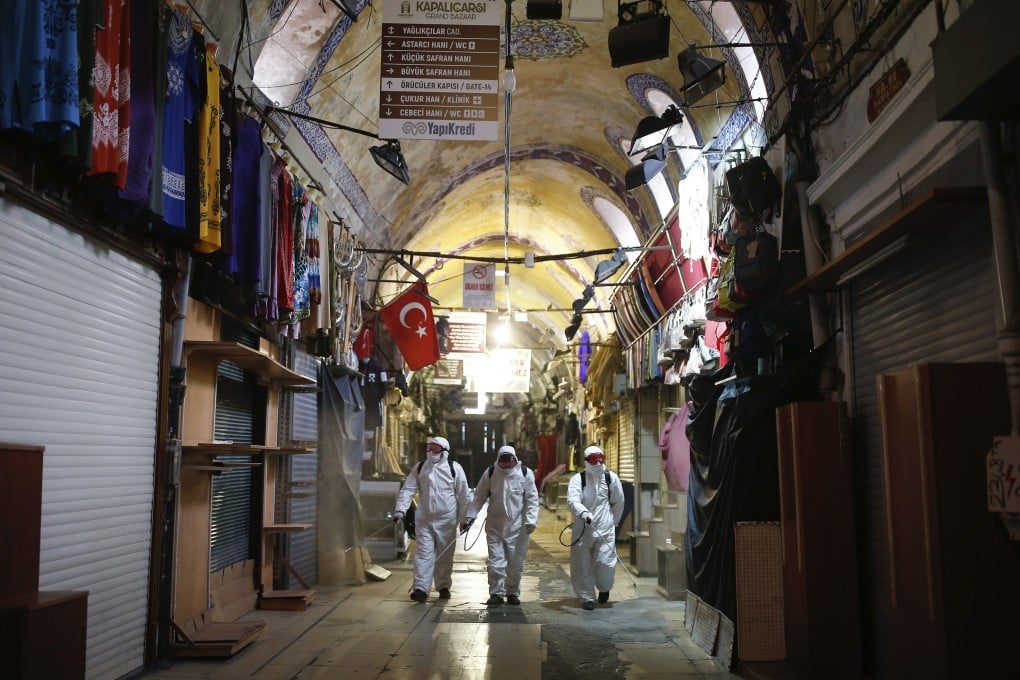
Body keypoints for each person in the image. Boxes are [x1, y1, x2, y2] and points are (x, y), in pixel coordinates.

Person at [393, 436, 472, 602]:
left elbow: (464, 495)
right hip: (424, 520)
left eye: (435, 449)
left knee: (444, 556)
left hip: (447, 521)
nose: (430, 451)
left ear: (444, 451)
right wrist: (401, 509)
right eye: (429, 448)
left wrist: (467, 517)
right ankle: (421, 589)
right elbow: (408, 489)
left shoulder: (454, 469)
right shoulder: (421, 468)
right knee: (423, 554)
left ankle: (443, 586)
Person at [462, 445, 539, 606]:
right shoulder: (491, 473)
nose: (506, 465)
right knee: (496, 561)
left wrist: (531, 520)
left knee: (515, 563)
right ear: (498, 460)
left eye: (509, 461)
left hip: (518, 529)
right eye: (503, 461)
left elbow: (532, 499)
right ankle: (496, 593)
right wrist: (469, 516)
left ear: (515, 459)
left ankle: (512, 592)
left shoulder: (525, 473)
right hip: (494, 526)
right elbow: (479, 497)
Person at [567, 444, 625, 611]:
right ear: (586, 461)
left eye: (601, 458)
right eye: (594, 459)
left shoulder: (611, 478)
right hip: (583, 530)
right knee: (582, 565)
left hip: (605, 528)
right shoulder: (578, 480)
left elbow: (618, 502)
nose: (598, 463)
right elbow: (573, 500)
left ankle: (604, 587)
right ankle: (587, 598)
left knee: (605, 563)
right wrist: (583, 513)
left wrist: (613, 523)